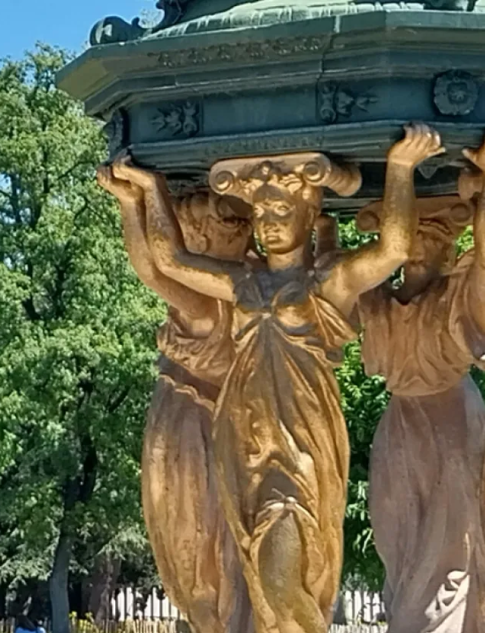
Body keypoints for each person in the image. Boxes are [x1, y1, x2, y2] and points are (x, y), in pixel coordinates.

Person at [113, 122, 439, 633]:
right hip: (244, 449)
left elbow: (392, 250)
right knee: (262, 586)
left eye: (282, 211)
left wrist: (400, 169)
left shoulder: (325, 285)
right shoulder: (241, 284)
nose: (267, 222)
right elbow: (168, 261)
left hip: (301, 452)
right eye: (261, 213)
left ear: (309, 216)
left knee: (281, 578)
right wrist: (148, 193)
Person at [97, 169, 254, 633]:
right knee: (206, 544)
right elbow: (155, 265)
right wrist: (139, 201)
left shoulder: (223, 297)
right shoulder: (225, 297)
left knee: (207, 547)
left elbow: (154, 264)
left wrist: (138, 200)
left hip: (202, 426)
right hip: (196, 426)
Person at [356, 142, 485, 633]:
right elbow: (341, 279)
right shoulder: (381, 303)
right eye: (408, 236)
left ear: (446, 247)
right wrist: (321, 228)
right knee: (397, 535)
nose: (413, 248)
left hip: (451, 419)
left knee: (451, 543)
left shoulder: (457, 297)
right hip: (401, 423)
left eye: (425, 237)